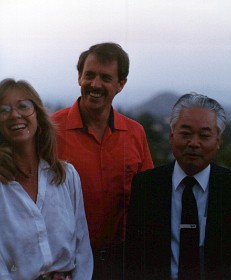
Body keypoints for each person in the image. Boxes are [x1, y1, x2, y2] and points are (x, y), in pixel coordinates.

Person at [0, 43, 154, 279]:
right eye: (89, 75)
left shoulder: (135, 134)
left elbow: (149, 202)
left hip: (122, 262)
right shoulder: (49, 130)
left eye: (105, 77)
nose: (95, 84)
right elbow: (15, 142)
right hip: (65, 263)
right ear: (79, 78)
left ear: (121, 84)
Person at [125, 93, 231, 279]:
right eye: (186, 134)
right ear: (172, 136)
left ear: (218, 141)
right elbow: (134, 256)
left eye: (204, 136)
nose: (194, 143)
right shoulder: (146, 185)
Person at [0, 78, 93, 279]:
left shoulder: (67, 176)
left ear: (38, 117)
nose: (15, 115)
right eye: (4, 110)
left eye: (23, 106)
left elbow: (82, 249)